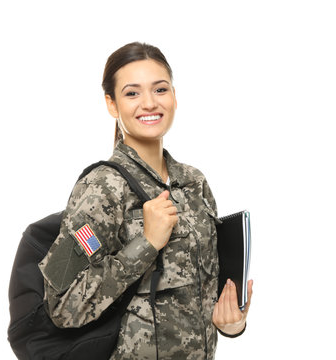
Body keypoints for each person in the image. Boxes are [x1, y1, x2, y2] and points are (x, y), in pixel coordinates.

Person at [39, 42, 253, 359]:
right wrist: (147, 243)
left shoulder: (193, 182)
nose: (150, 103)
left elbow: (205, 292)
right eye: (132, 93)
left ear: (175, 96)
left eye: (160, 89)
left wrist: (231, 323)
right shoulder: (101, 187)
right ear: (112, 104)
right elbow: (62, 306)